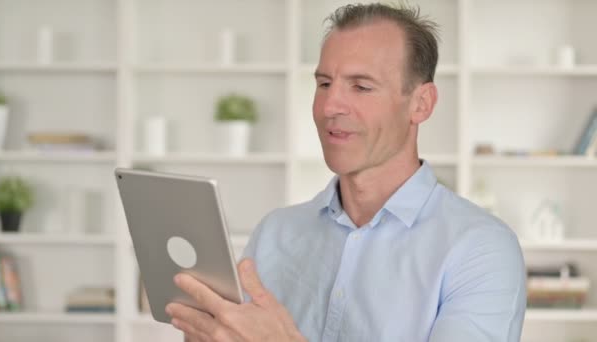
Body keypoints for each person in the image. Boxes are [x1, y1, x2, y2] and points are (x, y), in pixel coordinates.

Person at [165, 3, 527, 341]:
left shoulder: (481, 249)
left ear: (421, 103)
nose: (330, 106)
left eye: (361, 86)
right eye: (324, 83)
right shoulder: (275, 233)